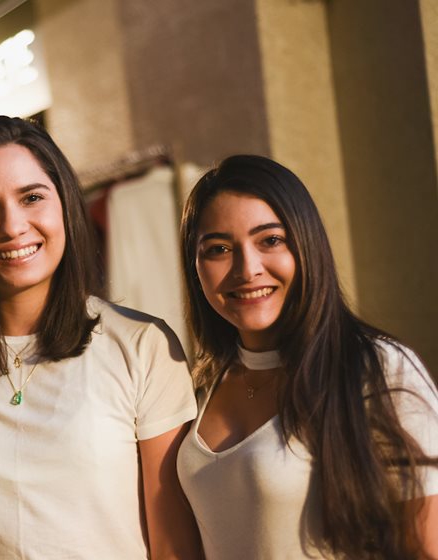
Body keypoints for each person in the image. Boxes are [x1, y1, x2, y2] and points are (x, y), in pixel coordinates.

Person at [0, 115, 201, 559]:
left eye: (32, 197)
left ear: (65, 204)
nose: (12, 226)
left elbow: (173, 546)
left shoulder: (142, 345)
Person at [176, 154, 438, 559]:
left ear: (305, 245)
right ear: (196, 267)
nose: (248, 269)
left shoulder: (376, 367)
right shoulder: (197, 386)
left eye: (270, 241)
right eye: (219, 249)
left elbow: (426, 547)